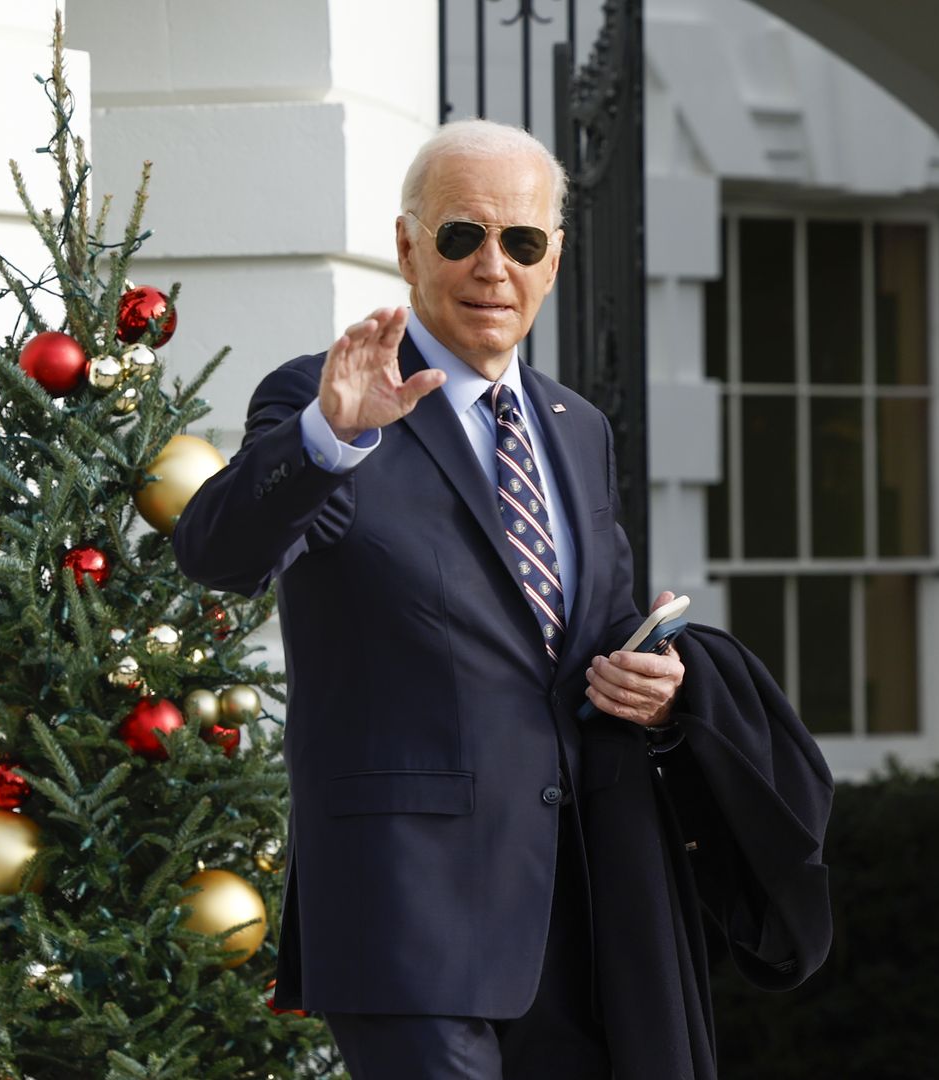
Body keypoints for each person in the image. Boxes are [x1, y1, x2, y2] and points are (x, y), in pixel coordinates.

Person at [172, 119, 831, 1080]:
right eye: (460, 237)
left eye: (520, 242)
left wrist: (658, 681)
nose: (493, 267)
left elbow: (586, 634)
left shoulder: (579, 428)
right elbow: (217, 553)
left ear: (554, 259)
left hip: (587, 904)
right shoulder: (328, 400)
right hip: (410, 910)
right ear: (407, 245)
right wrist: (328, 438)